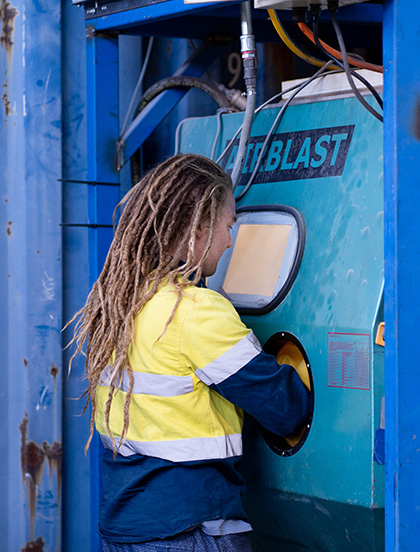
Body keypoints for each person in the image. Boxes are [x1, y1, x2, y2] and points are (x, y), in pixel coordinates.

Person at [68, 153, 311, 551]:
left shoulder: (121, 303)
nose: (230, 241)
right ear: (198, 228)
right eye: (228, 226)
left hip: (127, 528)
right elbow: (285, 407)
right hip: (189, 532)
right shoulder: (193, 311)